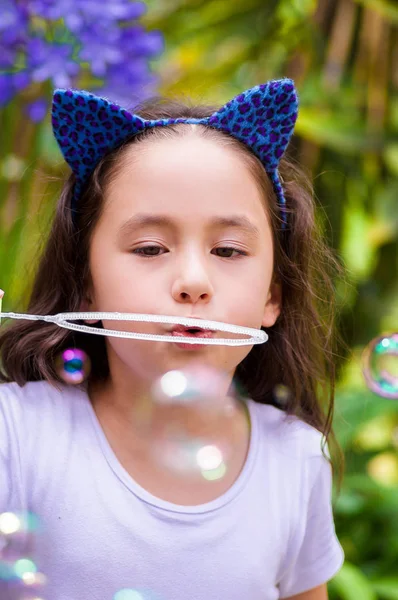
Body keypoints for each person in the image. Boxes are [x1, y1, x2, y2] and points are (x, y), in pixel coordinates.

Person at [0, 79, 345, 600]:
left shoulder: (295, 460)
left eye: (228, 251)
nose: (192, 281)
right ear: (87, 286)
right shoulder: (16, 438)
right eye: (150, 248)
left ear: (273, 297)